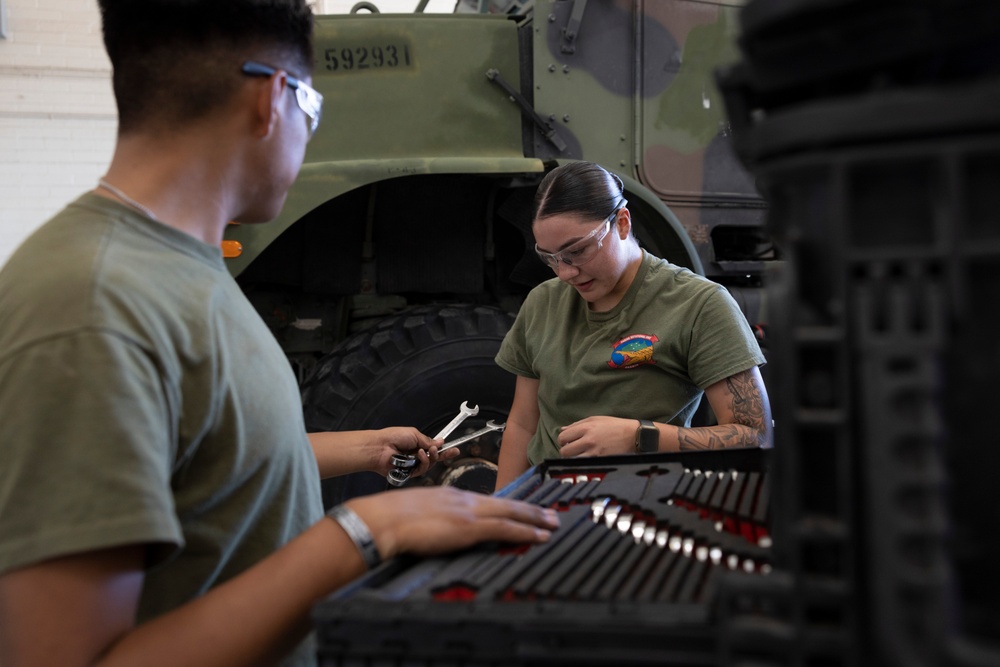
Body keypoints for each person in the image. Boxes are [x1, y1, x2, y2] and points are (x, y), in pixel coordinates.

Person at [0, 2, 559, 666]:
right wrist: (365, 530)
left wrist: (359, 448)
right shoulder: (92, 309)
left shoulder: (175, 271)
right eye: (312, 108)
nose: (309, 130)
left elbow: (196, 456)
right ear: (272, 99)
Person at [494, 161, 772, 490]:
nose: (565, 272)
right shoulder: (542, 302)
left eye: (578, 251)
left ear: (622, 223)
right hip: (547, 501)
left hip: (643, 502)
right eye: (551, 257)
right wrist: (502, 508)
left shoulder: (699, 305)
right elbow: (523, 424)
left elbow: (756, 435)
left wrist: (640, 437)